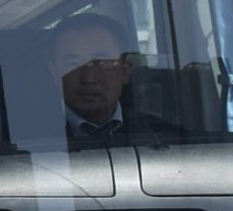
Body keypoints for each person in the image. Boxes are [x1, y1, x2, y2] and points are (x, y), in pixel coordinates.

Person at [51, 12, 181, 147]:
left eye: (102, 63)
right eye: (72, 64)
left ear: (125, 71)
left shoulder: (167, 138)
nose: (88, 78)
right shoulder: (37, 138)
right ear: (54, 73)